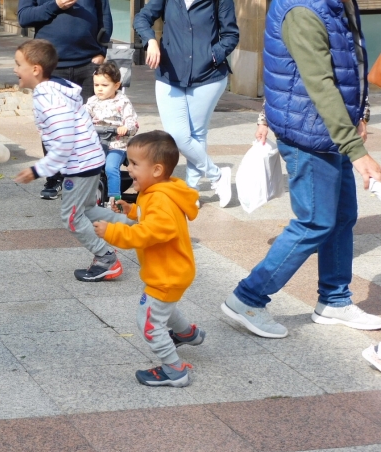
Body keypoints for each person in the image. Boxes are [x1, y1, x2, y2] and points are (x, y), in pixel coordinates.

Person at [222, 0, 381, 338]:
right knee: (313, 222)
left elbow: (352, 60)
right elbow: (319, 84)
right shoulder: (304, 10)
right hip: (309, 131)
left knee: (341, 216)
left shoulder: (335, 4)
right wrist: (356, 150)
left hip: (327, 129)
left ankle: (334, 300)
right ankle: (247, 298)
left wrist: (359, 116)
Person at [13, 39, 133, 282]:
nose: (15, 70)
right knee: (88, 210)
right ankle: (140, 227)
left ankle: (105, 258)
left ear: (35, 69)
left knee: (71, 216)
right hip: (88, 159)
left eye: (18, 64)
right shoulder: (56, 88)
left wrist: (38, 170)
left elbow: (64, 141)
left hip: (79, 164)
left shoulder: (47, 98)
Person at [93, 131, 203, 387]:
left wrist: (112, 231)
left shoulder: (161, 199)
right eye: (128, 162)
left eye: (133, 164)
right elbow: (151, 218)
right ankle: (187, 333)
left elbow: (151, 232)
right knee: (165, 307)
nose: (127, 168)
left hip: (166, 274)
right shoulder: (161, 191)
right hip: (173, 270)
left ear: (156, 170)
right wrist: (133, 210)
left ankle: (175, 370)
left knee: (149, 323)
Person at [134, 0, 239, 207]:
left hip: (207, 75)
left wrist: (211, 56)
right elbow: (142, 18)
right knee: (177, 136)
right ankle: (217, 174)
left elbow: (231, 35)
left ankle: (191, 192)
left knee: (197, 133)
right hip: (169, 74)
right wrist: (151, 41)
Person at [18, 0, 112, 200]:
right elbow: (24, 18)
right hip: (51, 66)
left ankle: (91, 176)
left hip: (88, 64)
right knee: (53, 125)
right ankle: (54, 177)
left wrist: (102, 51)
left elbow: (105, 18)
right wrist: (55, 5)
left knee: (91, 124)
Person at [85, 61, 138, 208]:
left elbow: (132, 121)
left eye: (104, 85)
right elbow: (83, 115)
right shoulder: (92, 101)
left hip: (116, 144)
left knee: (110, 167)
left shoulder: (122, 102)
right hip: (97, 143)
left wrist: (126, 127)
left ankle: (114, 198)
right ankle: (83, 192)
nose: (99, 89)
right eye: (96, 85)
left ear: (116, 85)